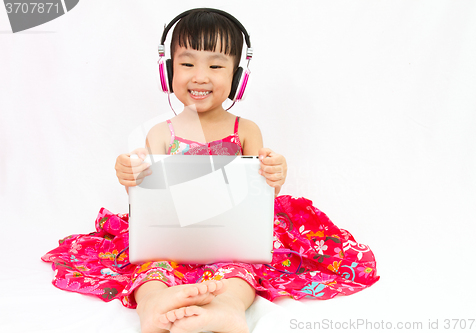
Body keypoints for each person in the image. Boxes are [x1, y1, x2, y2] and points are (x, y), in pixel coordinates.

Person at [42, 8, 379, 333]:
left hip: (232, 239)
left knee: (241, 270)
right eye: (187, 63)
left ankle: (228, 307)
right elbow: (146, 201)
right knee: (151, 268)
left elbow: (261, 196)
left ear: (237, 77)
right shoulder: (160, 134)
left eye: (216, 66)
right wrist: (130, 175)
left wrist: (275, 174)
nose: (199, 76)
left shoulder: (245, 130)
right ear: (168, 71)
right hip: (171, 238)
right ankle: (153, 305)